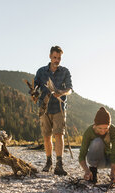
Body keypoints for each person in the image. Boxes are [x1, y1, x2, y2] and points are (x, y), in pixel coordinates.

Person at [33, 46, 72, 176]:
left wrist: (61, 92)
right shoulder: (41, 71)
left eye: (59, 58)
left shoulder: (65, 71)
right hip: (44, 107)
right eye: (55, 57)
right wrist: (33, 93)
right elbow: (35, 86)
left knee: (59, 134)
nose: (57, 60)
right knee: (46, 136)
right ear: (50, 56)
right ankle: (49, 162)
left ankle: (59, 165)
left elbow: (70, 89)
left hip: (59, 108)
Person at [79, 107, 115, 183]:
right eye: (100, 128)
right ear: (95, 125)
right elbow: (82, 155)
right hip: (96, 161)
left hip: (110, 158)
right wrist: (86, 171)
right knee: (97, 141)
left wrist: (112, 172)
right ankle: (93, 172)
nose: (103, 131)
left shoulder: (114, 131)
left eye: (106, 128)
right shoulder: (89, 131)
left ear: (109, 125)